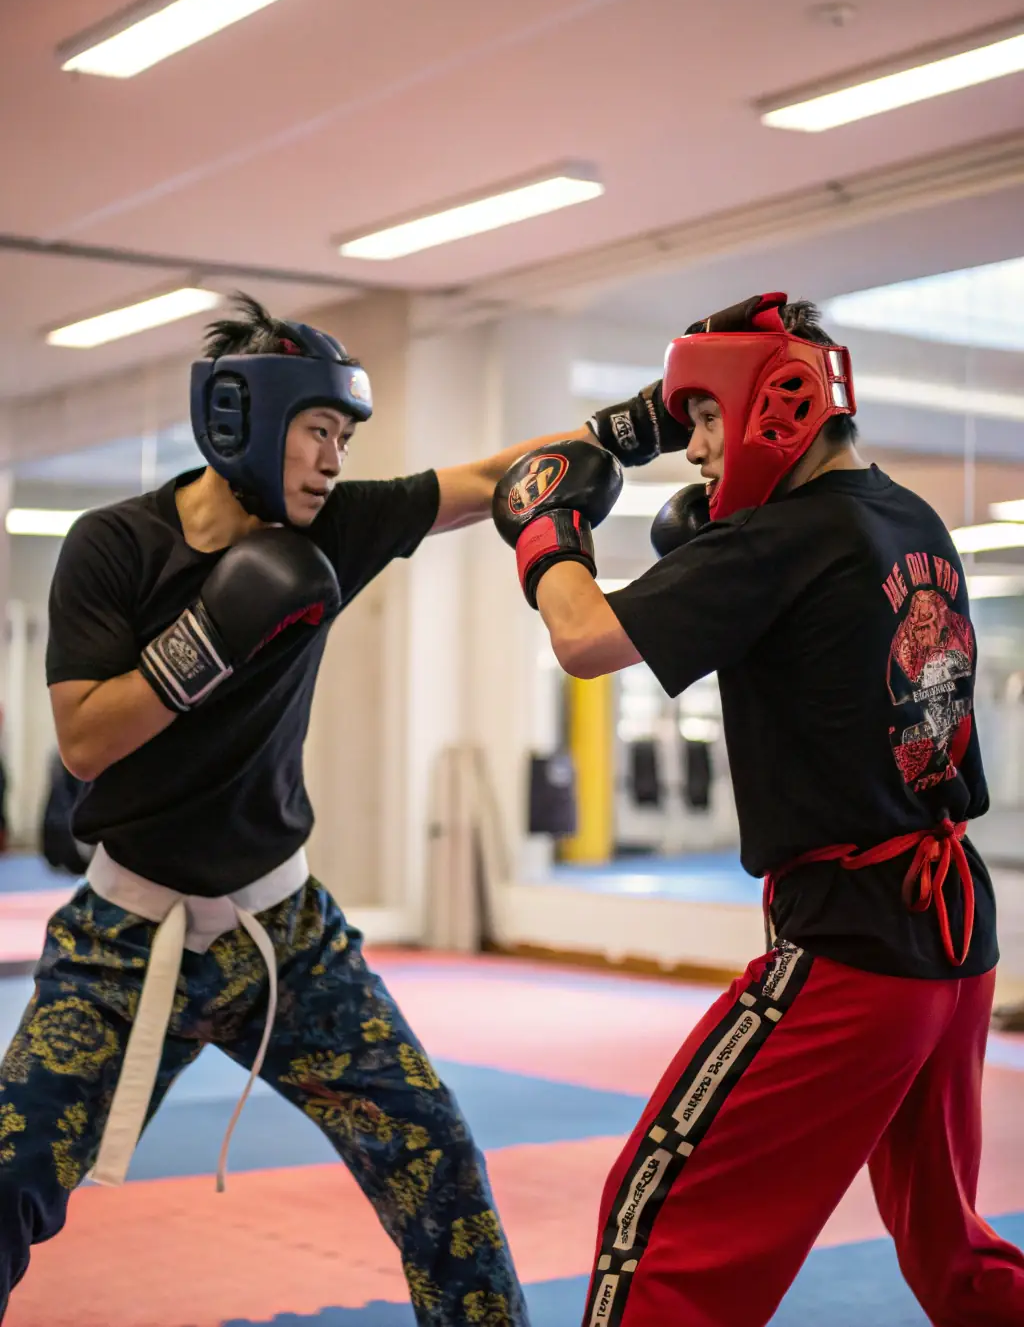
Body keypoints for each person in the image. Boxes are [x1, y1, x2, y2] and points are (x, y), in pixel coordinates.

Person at [0, 292, 600, 1326]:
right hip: (125, 937)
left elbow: (484, 482)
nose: (334, 458)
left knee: (435, 1156)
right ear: (243, 420)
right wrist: (210, 636)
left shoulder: (330, 526)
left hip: (288, 931)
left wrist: (644, 423)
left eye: (343, 435)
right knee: (8, 1177)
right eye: (318, 430)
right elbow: (86, 741)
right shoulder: (112, 546)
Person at [492, 292, 1024, 1326]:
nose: (694, 448)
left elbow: (583, 639)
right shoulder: (907, 516)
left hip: (851, 951)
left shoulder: (782, 540)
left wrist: (545, 529)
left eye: (703, 417)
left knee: (658, 1241)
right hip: (955, 947)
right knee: (951, 1253)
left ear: (772, 405)